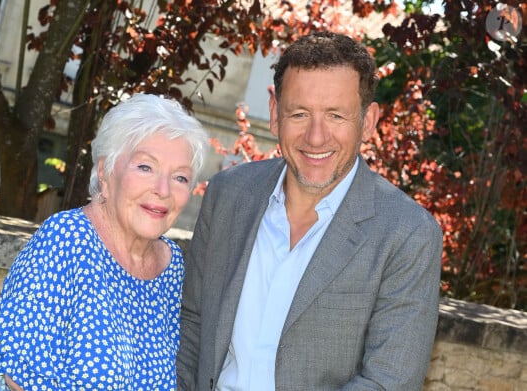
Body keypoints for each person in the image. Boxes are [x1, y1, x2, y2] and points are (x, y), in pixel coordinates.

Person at [176, 32, 443, 391]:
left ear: (367, 122)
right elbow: (191, 325)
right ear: (274, 114)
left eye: (335, 115)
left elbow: (387, 381)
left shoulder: (408, 234)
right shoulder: (227, 196)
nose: (316, 137)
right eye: (299, 113)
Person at [0, 93, 209, 390]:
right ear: (104, 172)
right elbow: (18, 380)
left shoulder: (170, 265)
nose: (162, 189)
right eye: (145, 167)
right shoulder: (66, 240)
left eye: (180, 177)